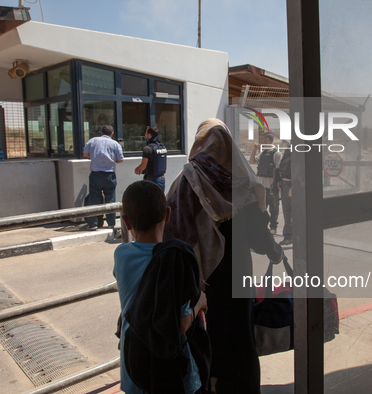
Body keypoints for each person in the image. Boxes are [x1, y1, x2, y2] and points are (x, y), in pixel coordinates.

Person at [164, 119, 284, 394]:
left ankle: (213, 386)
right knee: (241, 338)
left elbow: (170, 226)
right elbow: (257, 232)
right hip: (238, 271)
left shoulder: (187, 180)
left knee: (211, 336)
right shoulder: (240, 182)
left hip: (204, 278)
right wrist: (274, 251)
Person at [114, 180, 210, 394]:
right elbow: (182, 325)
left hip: (134, 365)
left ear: (126, 222)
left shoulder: (121, 255)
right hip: (170, 370)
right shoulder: (176, 259)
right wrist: (200, 302)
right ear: (167, 215)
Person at [83, 124, 124, 230]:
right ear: (112, 134)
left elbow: (85, 154)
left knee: (94, 199)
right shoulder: (115, 144)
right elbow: (120, 160)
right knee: (110, 199)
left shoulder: (92, 141)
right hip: (109, 174)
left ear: (101, 132)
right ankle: (111, 224)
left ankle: (93, 224)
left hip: (96, 174)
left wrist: (94, 157)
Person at [249, 131, 282, 234]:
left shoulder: (277, 153)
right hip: (262, 187)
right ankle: (261, 228)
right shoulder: (262, 153)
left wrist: (278, 185)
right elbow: (252, 161)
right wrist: (254, 150)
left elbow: (279, 170)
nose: (261, 141)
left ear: (267, 140)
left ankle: (273, 228)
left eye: (262, 139)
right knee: (261, 208)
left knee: (273, 208)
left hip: (272, 186)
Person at [135, 126, 167, 192]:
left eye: (146, 133)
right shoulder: (162, 147)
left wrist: (137, 169)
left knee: (149, 201)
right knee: (159, 200)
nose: (145, 135)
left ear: (149, 135)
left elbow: (143, 166)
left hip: (151, 180)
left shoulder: (148, 148)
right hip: (161, 179)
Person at [277, 147, 292, 245]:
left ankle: (296, 236)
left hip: (292, 186)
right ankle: (288, 236)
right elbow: (281, 168)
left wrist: (294, 186)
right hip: (284, 185)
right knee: (287, 212)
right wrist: (279, 181)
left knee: (296, 213)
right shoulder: (288, 151)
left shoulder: (300, 150)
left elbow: (300, 170)